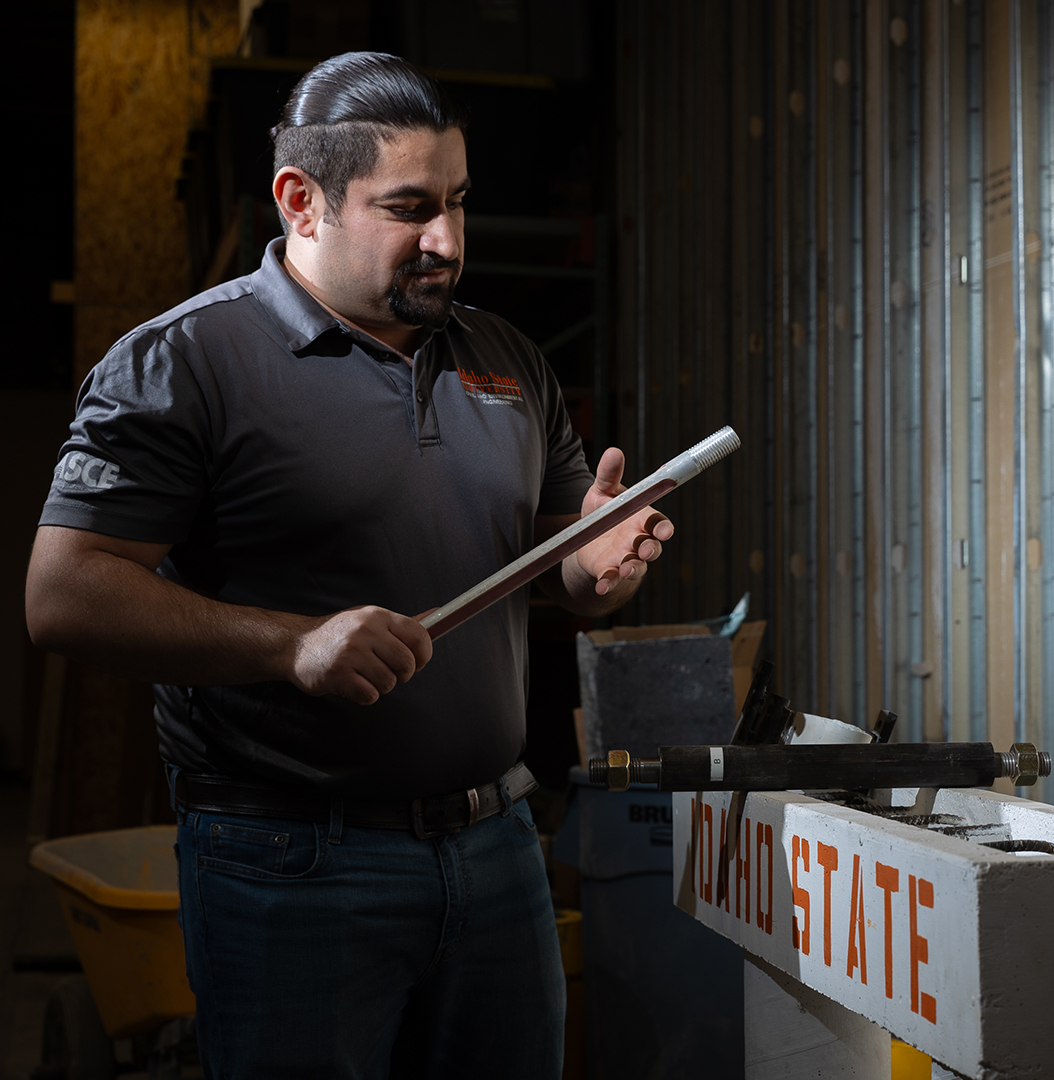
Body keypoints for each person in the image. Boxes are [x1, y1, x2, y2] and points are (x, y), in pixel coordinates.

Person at [25, 52, 673, 1080]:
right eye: (410, 208)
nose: (449, 242)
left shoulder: (503, 355)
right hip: (290, 864)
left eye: (459, 202)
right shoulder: (186, 362)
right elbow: (63, 594)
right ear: (302, 201)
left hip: (498, 849)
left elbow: (571, 574)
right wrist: (290, 647)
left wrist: (601, 567)